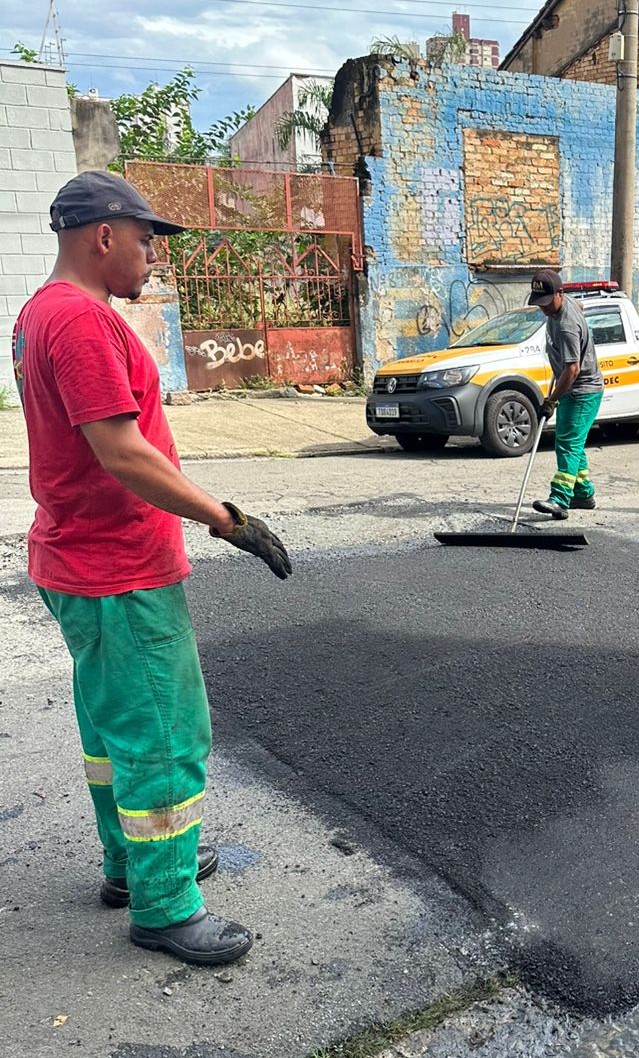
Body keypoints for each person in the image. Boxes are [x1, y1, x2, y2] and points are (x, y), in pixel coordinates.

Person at [12, 171, 292, 966]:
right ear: (104, 235)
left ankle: (129, 867)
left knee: (112, 728)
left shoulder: (40, 314)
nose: (152, 257)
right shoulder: (81, 324)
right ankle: (165, 904)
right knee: (165, 735)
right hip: (119, 569)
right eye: (145, 240)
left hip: (76, 557)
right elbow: (122, 451)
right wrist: (226, 519)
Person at [527, 269, 605, 519]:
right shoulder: (566, 305)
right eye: (540, 303)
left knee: (568, 444)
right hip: (577, 388)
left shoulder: (567, 326)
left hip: (582, 390)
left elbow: (573, 369)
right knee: (573, 443)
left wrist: (551, 400)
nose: (544, 309)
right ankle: (583, 494)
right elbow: (579, 306)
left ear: (560, 294)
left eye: (548, 303)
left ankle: (560, 499)